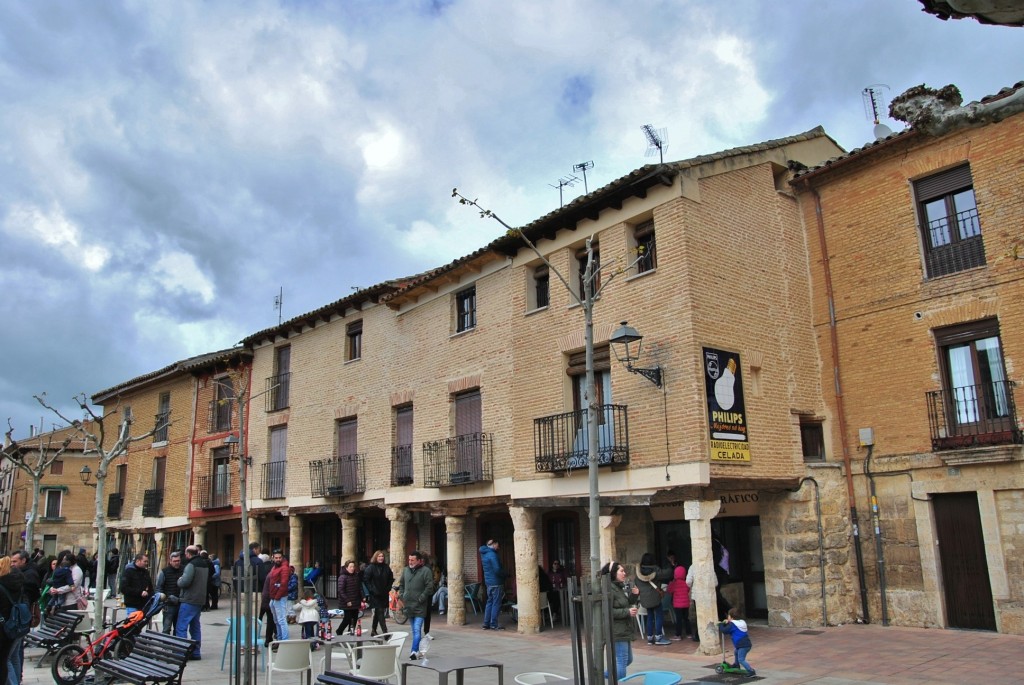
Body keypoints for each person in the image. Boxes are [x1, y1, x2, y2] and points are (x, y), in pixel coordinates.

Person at [601, 561, 638, 681]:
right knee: (621, 661)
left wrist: (634, 595)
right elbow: (607, 611)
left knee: (628, 660)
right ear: (613, 573)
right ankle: (615, 681)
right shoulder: (609, 589)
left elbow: (625, 604)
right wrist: (627, 612)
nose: (624, 573)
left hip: (624, 629)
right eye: (621, 571)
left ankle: (602, 676)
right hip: (616, 631)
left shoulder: (618, 587)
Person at [176, 545, 210, 660]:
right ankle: (196, 652)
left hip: (189, 599)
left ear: (188, 554)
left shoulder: (191, 565)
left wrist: (179, 580)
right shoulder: (204, 564)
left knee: (181, 626)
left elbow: (185, 582)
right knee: (195, 626)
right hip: (200, 599)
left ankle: (182, 652)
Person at [399, 550, 433, 660]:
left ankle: (413, 651)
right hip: (408, 605)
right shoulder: (406, 570)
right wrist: (402, 595)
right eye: (409, 559)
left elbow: (429, 587)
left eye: (412, 560)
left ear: (419, 561)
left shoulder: (426, 571)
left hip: (420, 606)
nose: (410, 562)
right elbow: (401, 584)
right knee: (414, 630)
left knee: (417, 629)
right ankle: (417, 651)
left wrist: (421, 598)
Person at [10, 550, 37, 685]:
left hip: (19, 620)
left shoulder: (27, 576)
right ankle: (17, 679)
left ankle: (15, 680)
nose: (12, 564)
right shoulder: (23, 575)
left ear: (23, 560)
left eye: (15, 561)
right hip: (21, 620)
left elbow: (30, 596)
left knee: (10, 656)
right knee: (14, 654)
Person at [635, 552, 673, 646]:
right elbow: (667, 573)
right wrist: (668, 563)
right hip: (655, 599)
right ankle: (659, 637)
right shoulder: (655, 571)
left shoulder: (638, 572)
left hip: (645, 600)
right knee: (659, 616)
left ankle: (650, 638)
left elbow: (637, 584)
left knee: (650, 617)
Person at [0, 556, 26, 685]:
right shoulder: (17, 584)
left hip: (3, 628)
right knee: (11, 657)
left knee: (6, 660)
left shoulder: (2, 586)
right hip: (15, 625)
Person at [362, 550, 394, 636]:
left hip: (384, 593)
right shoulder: (371, 567)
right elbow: (366, 579)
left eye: (382, 556)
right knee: (380, 611)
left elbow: (391, 578)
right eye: (379, 556)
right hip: (375, 594)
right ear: (375, 557)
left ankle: (373, 630)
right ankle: (385, 632)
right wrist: (372, 590)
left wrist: (388, 587)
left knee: (378, 612)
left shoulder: (386, 567)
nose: (381, 558)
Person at [478, 539, 506, 631]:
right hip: (496, 582)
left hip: (489, 583)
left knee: (489, 602)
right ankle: (493, 624)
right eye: (497, 545)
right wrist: (505, 574)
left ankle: (486, 624)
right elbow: (497, 569)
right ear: (493, 544)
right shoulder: (493, 555)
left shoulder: (484, 553)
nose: (499, 547)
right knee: (496, 603)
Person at [718, 607, 755, 676]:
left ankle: (751, 671)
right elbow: (732, 626)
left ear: (731, 617)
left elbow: (724, 630)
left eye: (728, 616)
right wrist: (728, 622)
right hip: (746, 644)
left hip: (742, 645)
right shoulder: (742, 622)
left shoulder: (732, 625)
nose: (727, 617)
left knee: (741, 659)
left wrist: (721, 624)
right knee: (736, 652)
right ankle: (736, 664)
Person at [155, 552, 184, 633]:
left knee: (179, 628)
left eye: (178, 560)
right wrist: (164, 599)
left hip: (181, 602)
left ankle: (177, 644)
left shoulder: (184, 570)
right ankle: (166, 644)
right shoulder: (164, 572)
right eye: (175, 561)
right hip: (169, 604)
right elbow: (159, 588)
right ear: (170, 561)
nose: (177, 563)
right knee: (166, 628)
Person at [266, 551, 291, 641]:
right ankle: (280, 639)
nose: (278, 559)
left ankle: (284, 641)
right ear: (273, 557)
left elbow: (284, 584)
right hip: (274, 597)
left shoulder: (284, 568)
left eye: (279, 557)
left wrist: (277, 597)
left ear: (282, 557)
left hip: (279, 597)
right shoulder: (274, 567)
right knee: (276, 621)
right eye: (276, 558)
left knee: (281, 620)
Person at [335, 560, 362, 635]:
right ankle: (339, 631)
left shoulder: (356, 576)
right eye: (350, 567)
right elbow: (341, 590)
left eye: (353, 567)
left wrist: (362, 597)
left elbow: (359, 588)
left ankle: (351, 633)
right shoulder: (342, 577)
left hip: (355, 601)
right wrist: (347, 600)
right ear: (346, 568)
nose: (352, 568)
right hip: (347, 603)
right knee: (347, 619)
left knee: (354, 619)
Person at [666, 563, 691, 640]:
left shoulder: (674, 583)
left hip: (677, 605)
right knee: (686, 619)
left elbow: (669, 590)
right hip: (686, 604)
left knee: (678, 619)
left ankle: (678, 635)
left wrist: (671, 582)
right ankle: (689, 633)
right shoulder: (686, 583)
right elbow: (688, 590)